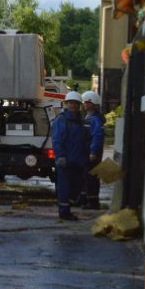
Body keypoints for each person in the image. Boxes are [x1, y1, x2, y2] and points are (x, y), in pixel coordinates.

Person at [51, 91, 90, 221]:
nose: (73, 105)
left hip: (79, 161)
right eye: (70, 103)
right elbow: (57, 140)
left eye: (75, 103)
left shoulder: (82, 121)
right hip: (66, 161)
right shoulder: (61, 121)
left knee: (78, 185)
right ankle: (64, 212)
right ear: (66, 104)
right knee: (64, 187)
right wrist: (60, 156)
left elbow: (85, 139)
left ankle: (69, 205)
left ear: (79, 105)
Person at [81, 90, 105, 209]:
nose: (84, 104)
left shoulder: (95, 119)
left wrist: (93, 152)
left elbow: (97, 136)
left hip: (92, 153)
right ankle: (87, 200)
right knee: (86, 176)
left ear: (92, 103)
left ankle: (93, 202)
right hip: (87, 151)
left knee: (92, 177)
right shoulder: (87, 116)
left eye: (86, 102)